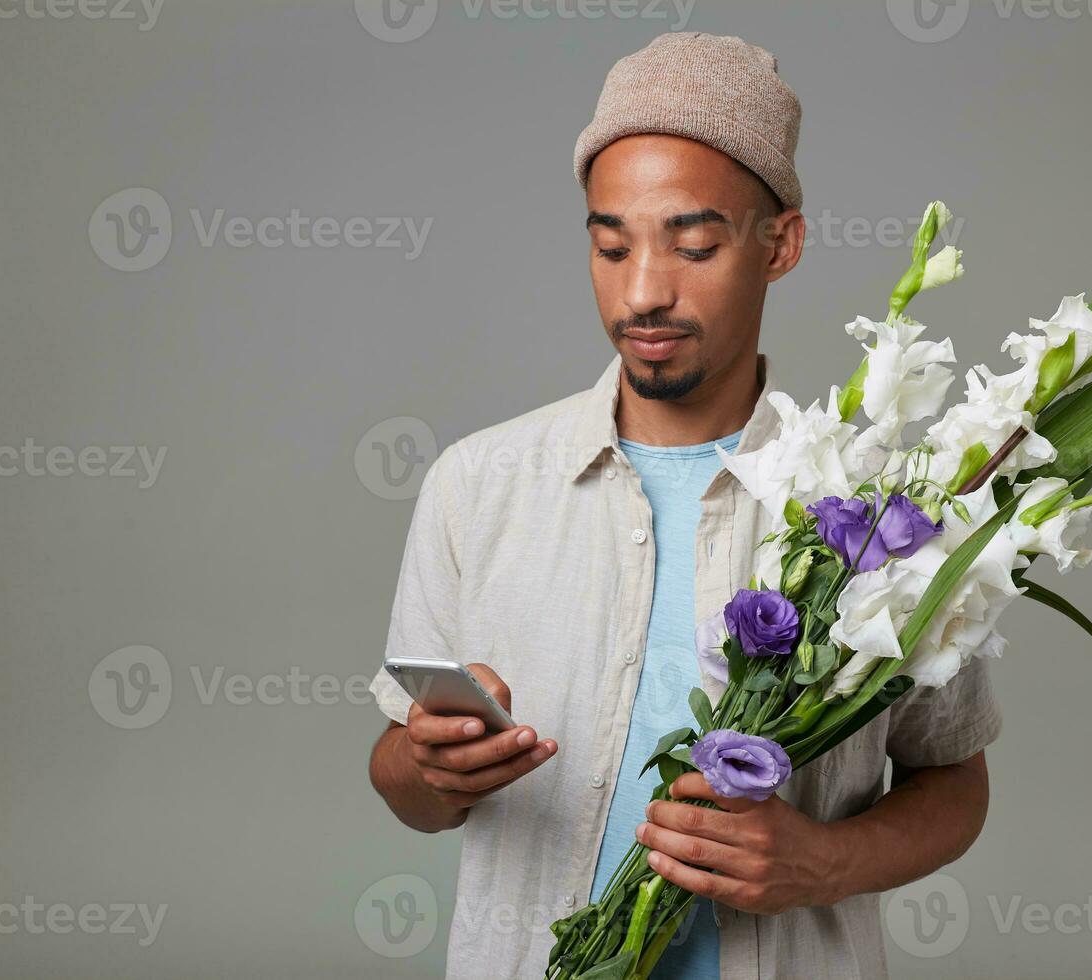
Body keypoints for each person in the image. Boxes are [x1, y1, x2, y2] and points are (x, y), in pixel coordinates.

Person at [366, 31, 1001, 980]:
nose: (643, 293)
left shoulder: (879, 512)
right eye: (610, 246)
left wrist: (820, 863)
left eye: (694, 245)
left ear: (779, 243)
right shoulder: (478, 483)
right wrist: (428, 770)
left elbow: (953, 776)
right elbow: (400, 779)